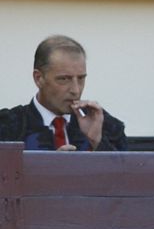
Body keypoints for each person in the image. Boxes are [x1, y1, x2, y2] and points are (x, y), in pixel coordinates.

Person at [0, 35, 128, 151]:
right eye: (64, 79)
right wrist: (53, 165)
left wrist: (97, 142)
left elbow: (127, 169)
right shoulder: (7, 126)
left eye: (81, 78)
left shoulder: (105, 125)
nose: (76, 90)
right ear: (39, 78)